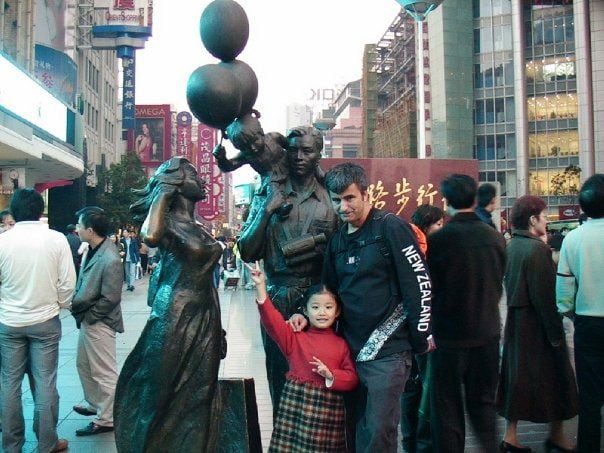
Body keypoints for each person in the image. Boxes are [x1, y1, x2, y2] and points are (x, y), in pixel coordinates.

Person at [311, 162, 434, 452]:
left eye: (350, 198)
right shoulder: (337, 241)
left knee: (379, 431)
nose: (343, 207)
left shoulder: (391, 228)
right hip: (348, 354)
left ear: (365, 194)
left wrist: (419, 338)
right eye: (337, 200)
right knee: (352, 430)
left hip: (388, 354)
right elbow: (328, 293)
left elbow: (420, 284)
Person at [114, 157, 224, 452]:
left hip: (204, 314)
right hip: (173, 314)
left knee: (202, 391)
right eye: (192, 174)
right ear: (175, 182)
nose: (200, 179)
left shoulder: (198, 227)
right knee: (159, 394)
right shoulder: (168, 223)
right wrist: (162, 192)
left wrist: (220, 326)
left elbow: (207, 280)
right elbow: (150, 236)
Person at [238, 126, 339, 417]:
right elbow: (246, 249)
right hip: (278, 297)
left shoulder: (330, 195)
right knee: (279, 375)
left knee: (318, 376)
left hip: (318, 300)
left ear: (319, 153)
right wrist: (266, 211)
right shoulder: (270, 190)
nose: (298, 156)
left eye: (307, 150)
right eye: (293, 149)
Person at [426, 174, 506, 453]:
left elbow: (431, 290)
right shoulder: (495, 238)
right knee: (484, 404)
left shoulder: (439, 240)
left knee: (447, 407)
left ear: (445, 201)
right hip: (487, 332)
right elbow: (498, 282)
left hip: (449, 337)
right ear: (475, 199)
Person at [247, 261, 358, 452]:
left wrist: (331, 375)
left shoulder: (342, 345)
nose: (322, 312)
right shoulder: (295, 338)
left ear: (337, 311)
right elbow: (272, 321)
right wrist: (261, 287)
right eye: (315, 307)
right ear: (305, 311)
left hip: (327, 414)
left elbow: (352, 378)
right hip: (295, 409)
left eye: (328, 307)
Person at [497, 196, 577, 453]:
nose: (547, 220)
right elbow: (545, 297)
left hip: (517, 324)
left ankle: (511, 436)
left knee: (515, 380)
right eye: (544, 216)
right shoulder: (537, 250)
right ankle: (557, 435)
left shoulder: (512, 246)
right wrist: (555, 334)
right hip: (537, 327)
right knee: (559, 379)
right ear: (533, 220)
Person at [0, 188, 76, 453]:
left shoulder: (2, 241)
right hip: (45, 320)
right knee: (45, 383)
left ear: (15, 211)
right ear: (39, 210)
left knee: (9, 384)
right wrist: (59, 304)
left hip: (9, 322)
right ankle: (47, 443)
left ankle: (11, 446)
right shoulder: (56, 240)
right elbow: (68, 284)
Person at [557, 173, 604, 453]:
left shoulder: (572, 239)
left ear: (583, 206)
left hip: (588, 325)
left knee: (589, 395)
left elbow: (563, 293)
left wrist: (572, 314)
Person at [70, 207, 124, 437]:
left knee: (103, 371)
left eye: (80, 226)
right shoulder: (92, 249)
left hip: (99, 321)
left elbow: (111, 297)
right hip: (88, 318)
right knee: (84, 364)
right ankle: (95, 403)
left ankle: (107, 418)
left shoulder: (110, 257)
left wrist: (92, 317)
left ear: (90, 230)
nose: (77, 229)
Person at [401, 203, 444, 453]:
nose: (441, 229)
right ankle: (422, 444)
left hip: (409, 333)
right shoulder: (422, 250)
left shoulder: (408, 245)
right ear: (427, 225)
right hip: (422, 334)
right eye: (438, 224)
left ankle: (410, 443)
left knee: (412, 389)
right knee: (423, 391)